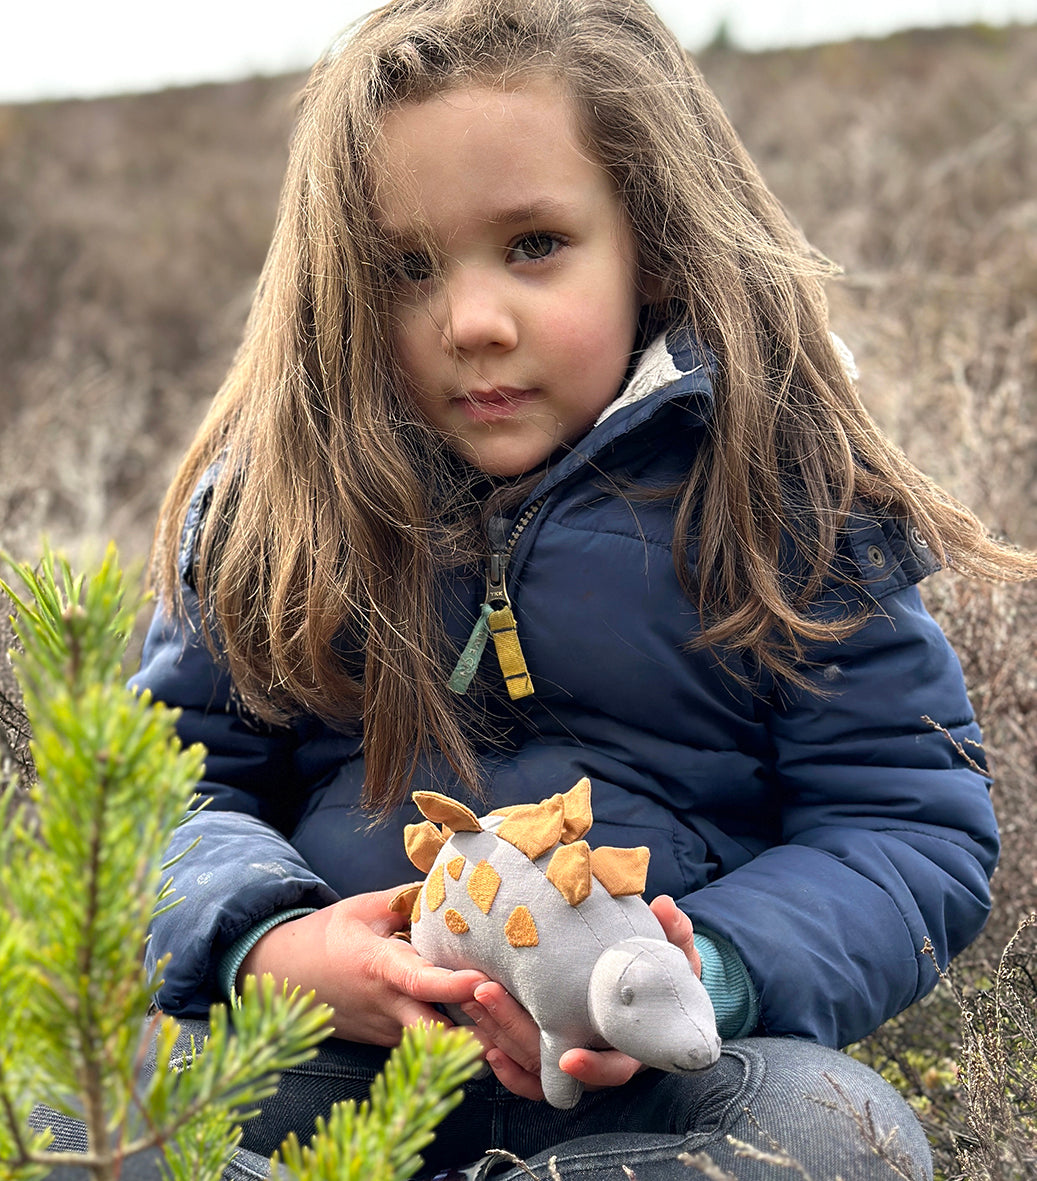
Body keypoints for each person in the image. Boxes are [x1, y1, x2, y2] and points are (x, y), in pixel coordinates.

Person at [122, 1, 1035, 1176]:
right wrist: (266, 942)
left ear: (647, 240)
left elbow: (903, 820)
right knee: (62, 1118)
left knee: (834, 1137)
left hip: (663, 1083)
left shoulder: (777, 486)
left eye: (534, 245)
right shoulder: (280, 496)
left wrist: (700, 972)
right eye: (405, 267)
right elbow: (157, 793)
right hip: (329, 1062)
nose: (472, 322)